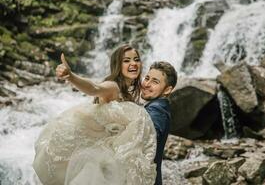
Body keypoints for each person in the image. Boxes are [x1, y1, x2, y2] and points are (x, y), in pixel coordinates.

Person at [33, 44, 157, 185]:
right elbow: (94, 88)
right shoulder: (113, 86)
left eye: (136, 59)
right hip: (102, 159)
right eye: (126, 60)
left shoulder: (128, 91)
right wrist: (71, 76)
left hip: (112, 155)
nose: (133, 63)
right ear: (117, 65)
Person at [141, 61, 177, 185]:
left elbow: (149, 137)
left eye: (155, 82)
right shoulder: (159, 106)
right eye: (147, 78)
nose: (146, 84)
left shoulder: (157, 110)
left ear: (167, 90)